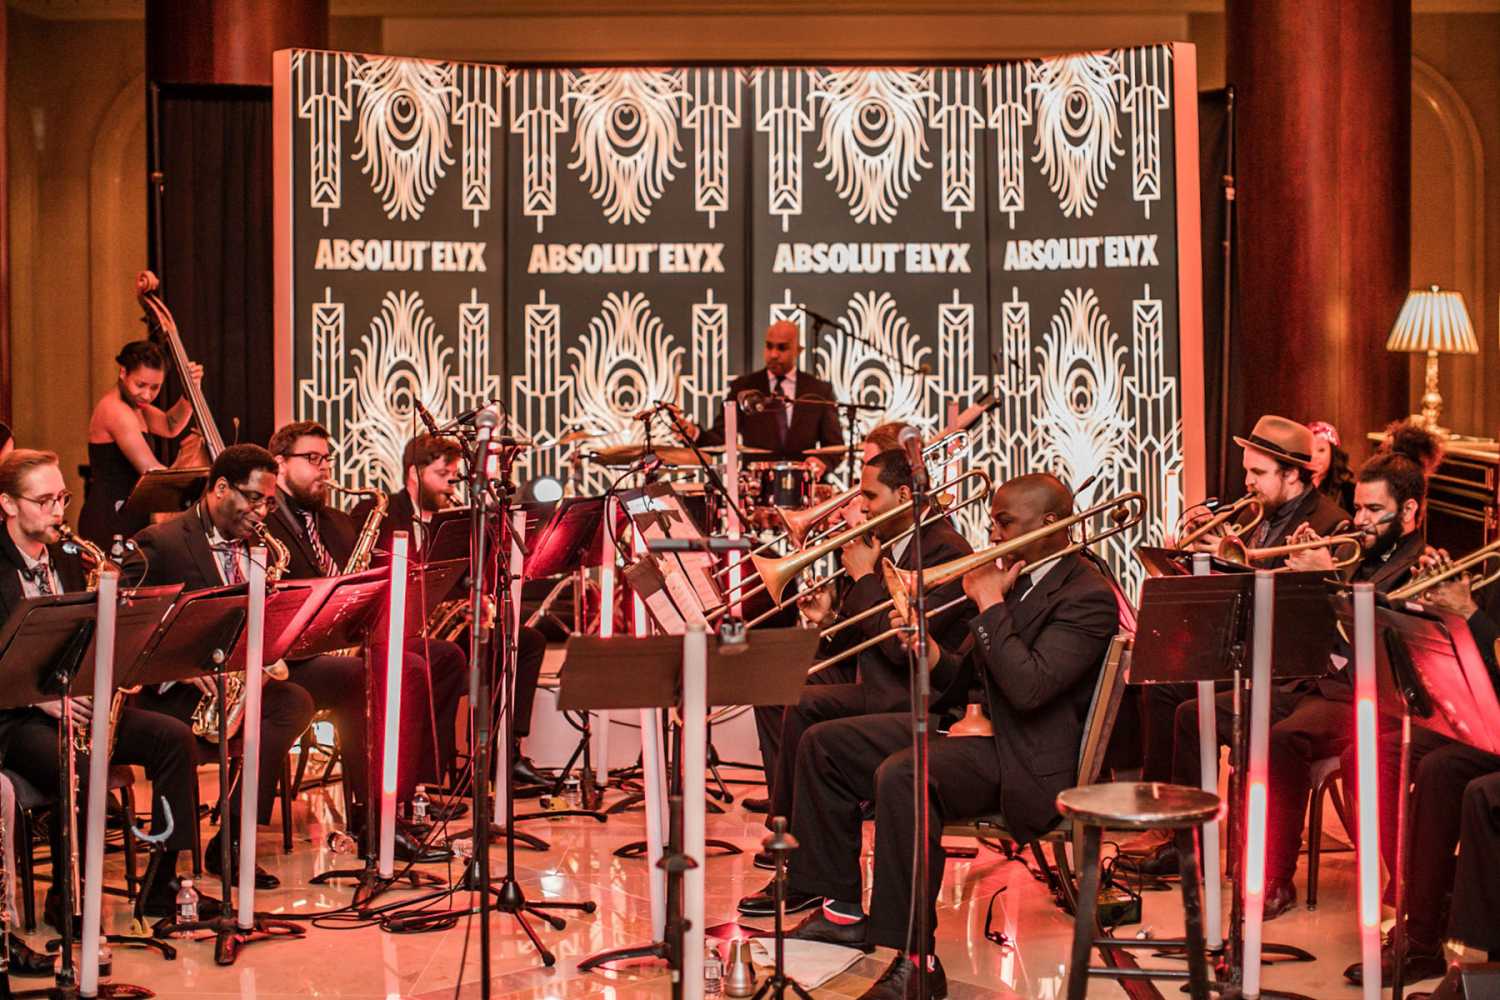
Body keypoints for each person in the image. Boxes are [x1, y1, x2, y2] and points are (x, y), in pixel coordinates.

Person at [774, 474, 1119, 999]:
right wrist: (928, 652)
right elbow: (973, 677)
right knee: (824, 744)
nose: (992, 533)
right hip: (977, 728)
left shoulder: (1087, 594)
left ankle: (915, 960)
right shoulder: (1021, 578)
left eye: (1004, 522)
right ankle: (840, 912)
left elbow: (1028, 688)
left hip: (1024, 756)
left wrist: (989, 604)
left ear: (1051, 524)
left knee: (905, 775)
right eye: (992, 521)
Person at [1139, 431, 1435, 919]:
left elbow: (1379, 640)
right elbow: (1310, 627)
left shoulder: (1420, 565)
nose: (1358, 520)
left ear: (1408, 512)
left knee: (1281, 740)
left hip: (1362, 697)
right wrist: (1305, 577)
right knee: (1195, 714)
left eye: (1372, 510)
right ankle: (1190, 849)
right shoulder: (1361, 548)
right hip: (1312, 681)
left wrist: (1326, 579)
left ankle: (1273, 878)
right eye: (1357, 507)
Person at [125, 445, 399, 876]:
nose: (262, 512)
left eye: (270, 502)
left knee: (293, 702)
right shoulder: (159, 543)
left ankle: (233, 836)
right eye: (254, 499)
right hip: (175, 693)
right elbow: (131, 629)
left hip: (234, 685)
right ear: (219, 488)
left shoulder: (259, 547)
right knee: (275, 705)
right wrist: (179, 671)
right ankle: (173, 868)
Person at [738, 447, 974, 918]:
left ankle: (800, 862)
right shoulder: (887, 539)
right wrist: (829, 618)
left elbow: (900, 645)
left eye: (870, 495)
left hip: (915, 696)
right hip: (878, 684)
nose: (860, 506)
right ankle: (795, 856)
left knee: (805, 709)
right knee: (787, 693)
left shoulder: (946, 551)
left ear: (905, 494)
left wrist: (865, 575)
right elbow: (863, 630)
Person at [0, 450, 215, 930]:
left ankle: (164, 885)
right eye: (44, 501)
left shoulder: (67, 558)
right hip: (14, 716)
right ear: (8, 505)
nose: (59, 512)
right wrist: (42, 699)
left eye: (63, 497)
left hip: (75, 704)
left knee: (173, 738)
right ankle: (68, 894)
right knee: (77, 762)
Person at [261, 421, 469, 819]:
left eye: (327, 459)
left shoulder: (338, 521)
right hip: (296, 655)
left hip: (350, 639)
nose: (324, 468)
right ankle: (374, 812)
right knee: (397, 669)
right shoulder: (264, 523)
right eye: (311, 459)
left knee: (445, 657)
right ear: (280, 465)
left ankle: (416, 792)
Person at [1139, 414, 1350, 785]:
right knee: (1160, 685)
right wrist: (1203, 559)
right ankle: (1161, 810)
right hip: (1246, 652)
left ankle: (1187, 831)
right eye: (1247, 471)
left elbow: (1316, 616)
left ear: (1292, 475)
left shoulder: (1328, 524)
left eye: (1258, 472)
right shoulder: (1262, 512)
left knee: (1191, 711)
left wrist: (1235, 559)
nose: (1248, 482)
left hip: (1287, 668)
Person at [1341, 547, 1500, 986]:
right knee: (1375, 755)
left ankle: (1425, 936)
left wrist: (1467, 612)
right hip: (1488, 713)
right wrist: (1433, 613)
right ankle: (1425, 889)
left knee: (1443, 771)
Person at [352, 433, 549, 787]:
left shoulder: (458, 520)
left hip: (443, 625)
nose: (451, 484)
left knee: (524, 640)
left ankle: (503, 753)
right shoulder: (378, 513)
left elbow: (471, 578)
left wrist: (478, 599)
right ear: (414, 473)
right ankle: (432, 778)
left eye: (455, 476)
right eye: (443, 475)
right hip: (394, 629)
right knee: (445, 658)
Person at [77, 340, 204, 547]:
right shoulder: (116, 410)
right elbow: (151, 471)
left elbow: (170, 426)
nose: (147, 394)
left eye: (155, 387)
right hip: (111, 516)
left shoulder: (137, 406)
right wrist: (198, 485)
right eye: (140, 385)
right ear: (123, 372)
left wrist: (190, 394)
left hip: (130, 512)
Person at [687, 320, 844, 469]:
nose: (774, 354)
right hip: (755, 487)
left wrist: (821, 463)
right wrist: (694, 433)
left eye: (782, 348)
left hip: (805, 486)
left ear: (798, 350)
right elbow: (721, 439)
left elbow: (834, 447)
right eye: (769, 346)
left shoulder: (819, 390)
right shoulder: (743, 388)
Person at [1308, 420, 1354, 513]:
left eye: (1321, 450)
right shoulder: (1295, 486)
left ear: (1333, 454)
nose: (1314, 456)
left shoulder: (1348, 491)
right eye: (1309, 450)